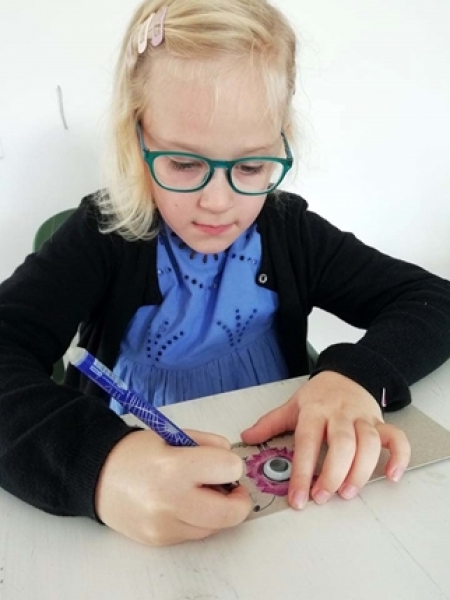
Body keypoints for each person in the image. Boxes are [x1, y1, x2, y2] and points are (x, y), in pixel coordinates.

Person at [1, 0, 450, 548]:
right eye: (184, 163)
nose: (218, 201)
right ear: (135, 139)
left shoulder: (290, 232)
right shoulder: (102, 236)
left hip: (285, 498)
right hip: (135, 508)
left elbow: (432, 299)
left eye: (252, 166)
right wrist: (98, 467)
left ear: (282, 141)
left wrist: (355, 377)